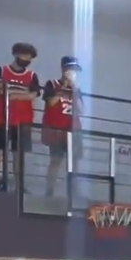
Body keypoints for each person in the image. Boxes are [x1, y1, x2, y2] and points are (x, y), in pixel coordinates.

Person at [0, 42, 41, 191]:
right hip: (0, 118)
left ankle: (19, 187)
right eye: (25, 55)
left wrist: (11, 92)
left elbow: (33, 95)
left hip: (23, 121)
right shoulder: (1, 70)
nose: (27, 60)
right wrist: (21, 92)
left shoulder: (32, 76)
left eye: (30, 57)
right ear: (16, 54)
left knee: (19, 155)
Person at [40, 57, 80, 196]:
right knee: (56, 160)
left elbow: (81, 109)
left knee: (74, 161)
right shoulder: (52, 84)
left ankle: (73, 191)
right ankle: (49, 190)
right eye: (70, 69)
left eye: (74, 70)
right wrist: (63, 87)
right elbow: (51, 102)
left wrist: (74, 90)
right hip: (56, 129)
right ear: (63, 69)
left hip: (73, 130)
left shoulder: (76, 89)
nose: (72, 72)